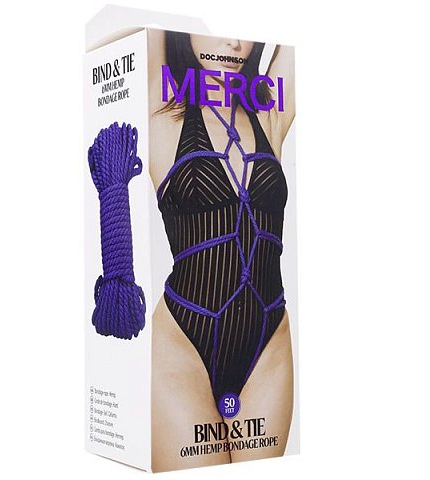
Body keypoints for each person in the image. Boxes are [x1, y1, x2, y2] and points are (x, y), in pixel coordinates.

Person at [148, 29, 295, 471]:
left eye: (242, 31)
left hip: (268, 341)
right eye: (215, 27)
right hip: (184, 342)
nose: (231, 44)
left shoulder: (269, 114)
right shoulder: (162, 111)